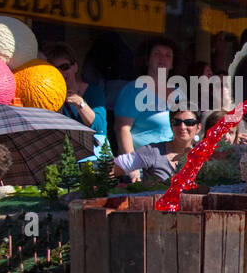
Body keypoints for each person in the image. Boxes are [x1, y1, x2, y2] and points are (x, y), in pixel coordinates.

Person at [114, 36, 181, 179]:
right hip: (145, 168)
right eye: (157, 53)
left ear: (173, 63)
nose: (162, 58)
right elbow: (122, 129)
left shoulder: (179, 93)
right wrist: (131, 167)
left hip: (174, 165)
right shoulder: (134, 90)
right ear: (147, 59)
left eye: (168, 55)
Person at [44, 42, 109, 157]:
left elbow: (99, 128)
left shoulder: (93, 91)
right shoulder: (49, 98)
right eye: (54, 69)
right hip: (65, 157)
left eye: (64, 67)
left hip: (93, 157)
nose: (60, 72)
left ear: (75, 67)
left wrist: (80, 102)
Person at [110, 107, 203, 182]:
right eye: (177, 122)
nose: (182, 127)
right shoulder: (153, 152)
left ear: (198, 127)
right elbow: (111, 169)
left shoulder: (204, 157)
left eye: (189, 123)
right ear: (171, 125)